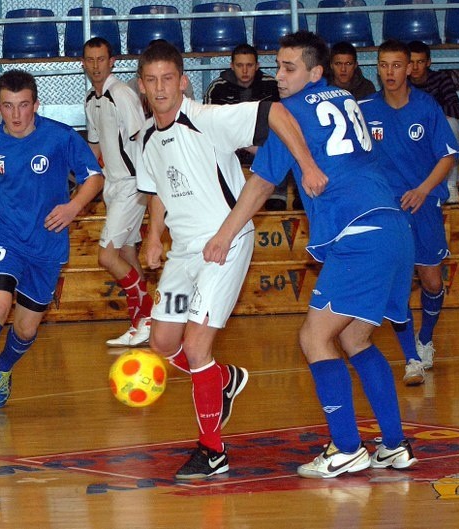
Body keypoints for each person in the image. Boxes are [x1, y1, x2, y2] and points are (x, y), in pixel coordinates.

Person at [205, 30, 418, 478]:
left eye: (289, 68)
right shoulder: (343, 97)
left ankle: (345, 447)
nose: (278, 76)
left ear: (314, 71)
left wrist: (225, 234)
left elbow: (261, 184)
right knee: (355, 338)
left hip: (358, 234)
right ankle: (395, 445)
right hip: (393, 228)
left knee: (314, 338)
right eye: (277, 66)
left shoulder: (292, 113)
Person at [134, 40, 326, 479]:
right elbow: (159, 191)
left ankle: (212, 450)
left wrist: (307, 163)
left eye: (168, 79)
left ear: (183, 82)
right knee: (163, 343)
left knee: (197, 346)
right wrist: (153, 238)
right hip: (184, 255)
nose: (161, 88)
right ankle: (221, 380)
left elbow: (275, 112)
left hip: (226, 243)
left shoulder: (207, 118)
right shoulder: (146, 138)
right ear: (142, 86)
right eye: (152, 80)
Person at [0, 70, 104, 425]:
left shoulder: (59, 138)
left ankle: (3, 366)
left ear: (36, 105)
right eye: (9, 106)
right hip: (4, 238)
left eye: (24, 105)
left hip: (46, 246)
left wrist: (74, 206)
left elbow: (94, 178)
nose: (16, 115)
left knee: (26, 329)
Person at [360, 39, 459, 384]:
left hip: (423, 204)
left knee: (431, 281)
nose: (390, 71)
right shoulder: (365, 108)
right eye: (384, 64)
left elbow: (448, 155)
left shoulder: (426, 107)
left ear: (410, 68)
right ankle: (412, 359)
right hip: (387, 210)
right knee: (397, 284)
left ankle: (427, 338)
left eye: (397, 65)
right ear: (378, 67)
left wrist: (423, 189)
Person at [82, 37, 151, 347]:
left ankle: (148, 313)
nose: (96, 65)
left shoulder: (121, 94)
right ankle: (142, 324)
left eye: (101, 59)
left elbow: (143, 135)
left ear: (112, 62)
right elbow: (94, 146)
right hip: (112, 185)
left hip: (133, 184)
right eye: (90, 60)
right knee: (127, 253)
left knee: (107, 255)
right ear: (83, 63)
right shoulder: (91, 100)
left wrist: (149, 183)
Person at [203, 44, 294, 211]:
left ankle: (277, 197)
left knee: (284, 146)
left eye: (249, 65)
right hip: (229, 147)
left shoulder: (272, 85)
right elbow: (208, 125)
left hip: (263, 145)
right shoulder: (217, 88)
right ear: (231, 66)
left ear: (257, 66)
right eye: (239, 65)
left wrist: (261, 145)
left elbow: (286, 121)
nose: (245, 71)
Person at [407, 40, 459, 204]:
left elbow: (457, 109)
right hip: (410, 127)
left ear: (428, 62)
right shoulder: (403, 81)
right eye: (412, 62)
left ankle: (451, 184)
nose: (416, 67)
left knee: (451, 123)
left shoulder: (441, 78)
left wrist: (433, 115)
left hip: (436, 128)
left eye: (420, 62)